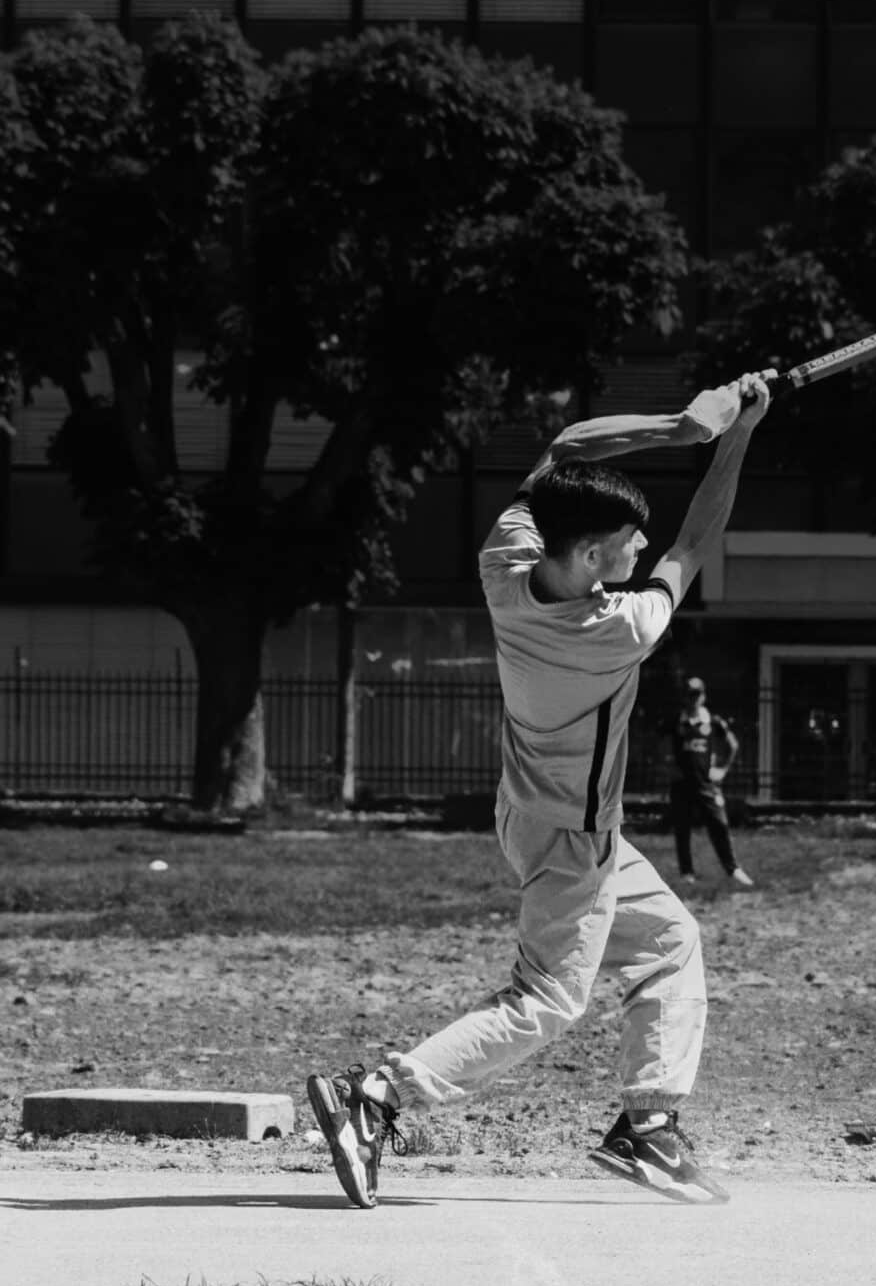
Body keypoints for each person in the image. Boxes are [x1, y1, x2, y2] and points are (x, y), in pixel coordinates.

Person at [307, 368, 775, 1210]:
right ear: (591, 556)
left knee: (671, 940)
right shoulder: (616, 628)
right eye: (626, 542)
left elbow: (565, 451)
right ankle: (374, 1098)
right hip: (569, 832)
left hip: (539, 815)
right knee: (546, 1001)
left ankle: (648, 1125)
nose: (640, 550)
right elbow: (692, 547)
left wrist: (682, 426)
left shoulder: (507, 560)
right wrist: (735, 438)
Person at [669, 677, 753, 888]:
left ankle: (733, 869)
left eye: (697, 695)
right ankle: (686, 872)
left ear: (703, 696)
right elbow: (659, 745)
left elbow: (733, 745)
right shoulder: (677, 721)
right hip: (682, 784)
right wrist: (668, 766)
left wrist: (722, 770)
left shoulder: (713, 722)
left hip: (706, 784)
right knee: (682, 828)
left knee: (719, 824)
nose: (693, 699)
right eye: (690, 695)